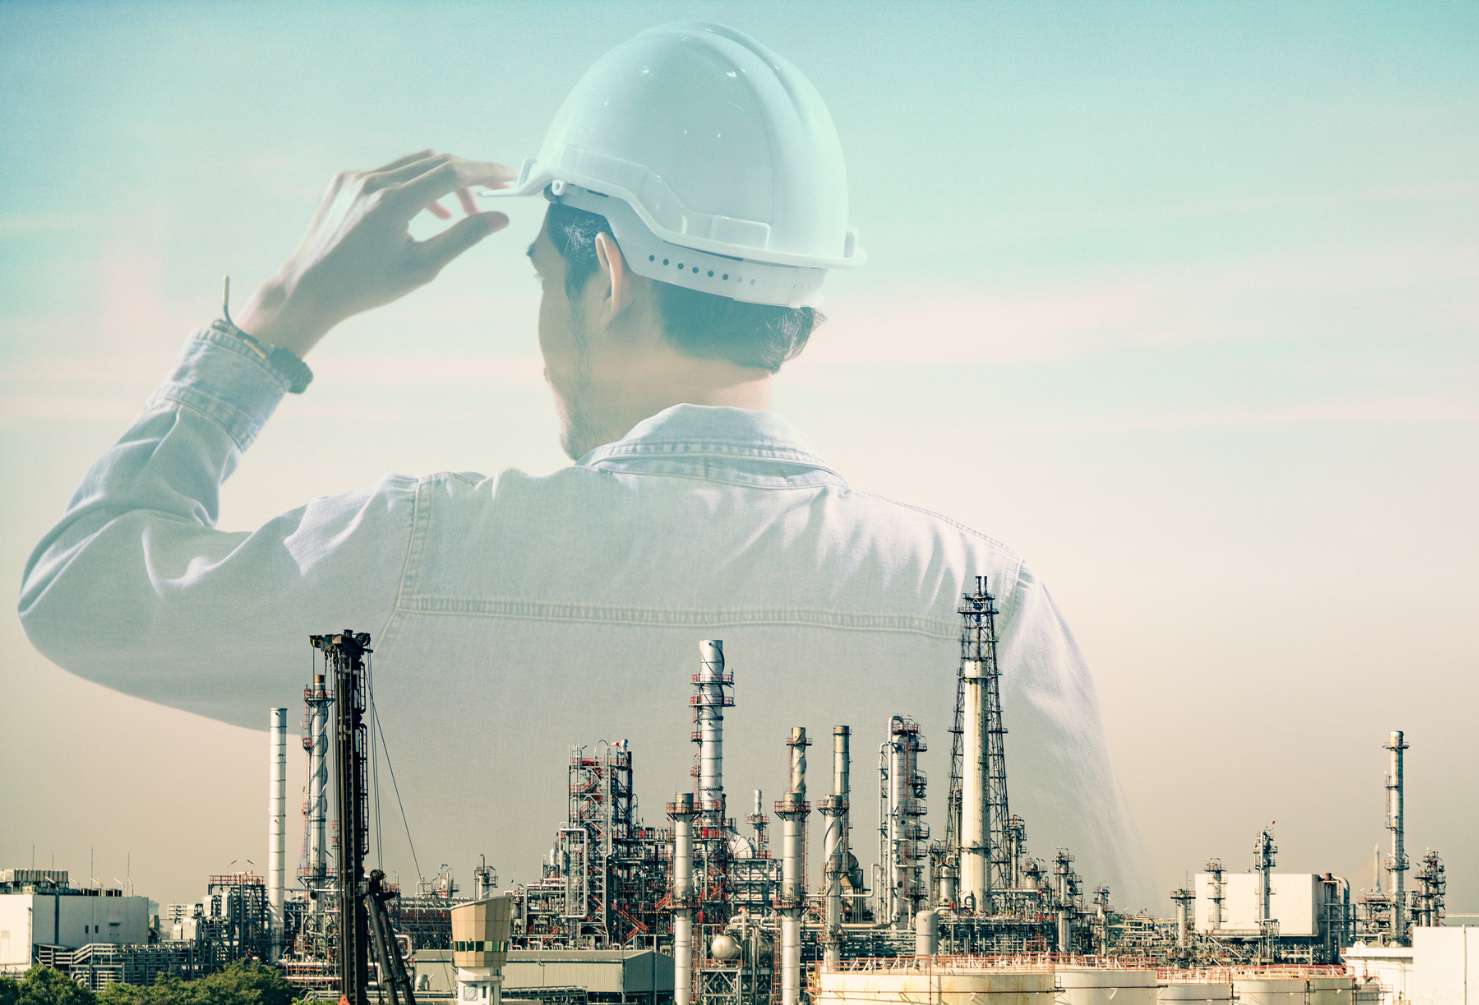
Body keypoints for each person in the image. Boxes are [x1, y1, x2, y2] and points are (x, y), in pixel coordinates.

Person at [18, 21, 1152, 908]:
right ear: (798, 324)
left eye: (538, 276)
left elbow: (82, 588)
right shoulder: (985, 600)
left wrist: (273, 328)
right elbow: (1102, 953)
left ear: (601, 274)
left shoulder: (420, 552)